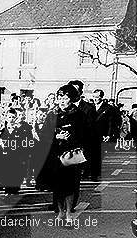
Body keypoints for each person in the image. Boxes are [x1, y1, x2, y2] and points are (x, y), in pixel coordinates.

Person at [44, 84, 86, 225]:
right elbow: (44, 134)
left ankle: (68, 211)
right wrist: (56, 137)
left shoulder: (79, 114)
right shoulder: (52, 113)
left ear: (72, 98)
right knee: (57, 185)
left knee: (70, 184)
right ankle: (60, 210)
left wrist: (71, 136)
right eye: (60, 97)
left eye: (66, 97)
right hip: (55, 153)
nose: (62, 100)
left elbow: (85, 134)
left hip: (72, 154)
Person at [0, 108, 32, 194]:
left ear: (15, 118)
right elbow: (0, 140)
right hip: (5, 154)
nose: (11, 119)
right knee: (6, 171)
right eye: (9, 117)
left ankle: (14, 189)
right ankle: (7, 189)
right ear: (6, 118)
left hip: (16, 155)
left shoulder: (19, 130)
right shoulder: (2, 129)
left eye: (13, 117)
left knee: (15, 172)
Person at [69, 80, 97, 181]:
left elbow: (91, 129)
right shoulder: (61, 107)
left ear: (80, 92)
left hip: (81, 143)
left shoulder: (89, 108)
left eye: (75, 90)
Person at [92, 89, 118, 178]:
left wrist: (108, 135)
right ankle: (90, 170)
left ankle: (96, 172)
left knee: (99, 153)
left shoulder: (108, 108)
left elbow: (111, 123)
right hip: (91, 133)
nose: (95, 99)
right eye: (93, 97)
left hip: (102, 133)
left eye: (97, 97)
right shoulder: (90, 107)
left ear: (101, 97)